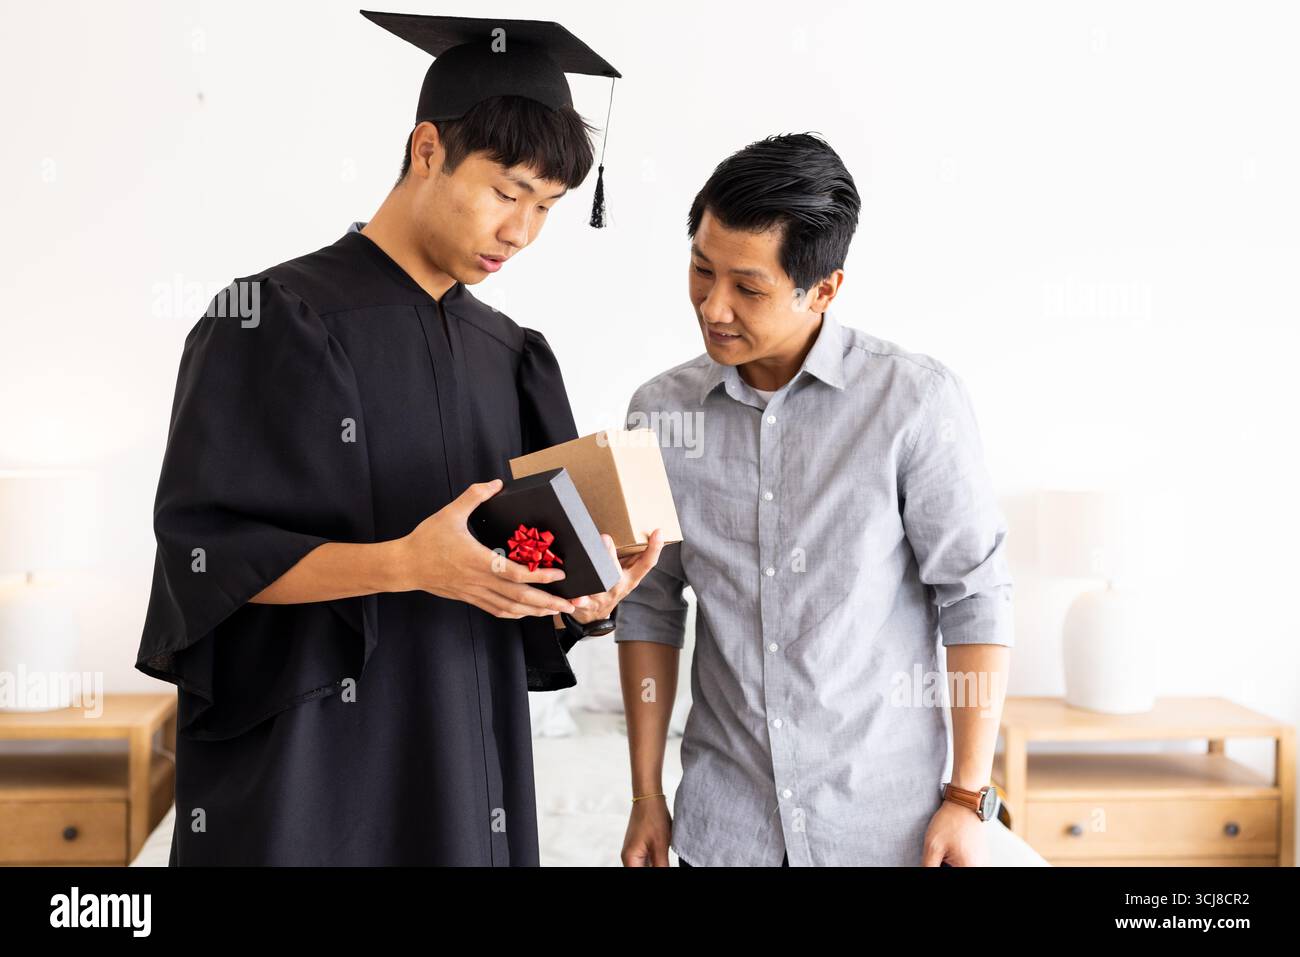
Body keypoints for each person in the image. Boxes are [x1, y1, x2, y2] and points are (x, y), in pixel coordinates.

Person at [135, 12, 662, 865]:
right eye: (504, 191)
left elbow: (520, 564)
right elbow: (205, 561)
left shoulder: (511, 355)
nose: (520, 232)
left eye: (546, 207)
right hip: (307, 761)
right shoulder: (272, 320)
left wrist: (583, 596)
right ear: (426, 150)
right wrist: (407, 564)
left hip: (464, 754)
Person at [616, 134, 1014, 866]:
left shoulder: (914, 402)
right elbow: (649, 602)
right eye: (701, 270)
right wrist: (647, 792)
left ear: (824, 289)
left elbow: (974, 596)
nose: (713, 305)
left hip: (885, 832)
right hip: (724, 830)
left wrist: (967, 795)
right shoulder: (658, 413)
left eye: (748, 287)